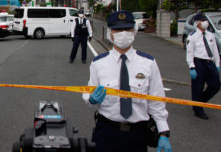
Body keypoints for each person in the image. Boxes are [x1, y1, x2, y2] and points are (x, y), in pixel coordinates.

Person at [82, 10, 171, 152]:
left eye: (127, 29)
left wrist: (163, 132)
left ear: (134, 31)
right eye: (118, 30)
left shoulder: (148, 63)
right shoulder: (98, 63)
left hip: (137, 133)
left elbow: (157, 101)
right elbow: (88, 93)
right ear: (110, 33)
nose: (123, 33)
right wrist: (91, 99)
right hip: (107, 131)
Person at [186, 12, 220, 119]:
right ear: (198, 23)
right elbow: (189, 53)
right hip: (199, 63)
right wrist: (192, 67)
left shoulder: (210, 35)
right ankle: (198, 110)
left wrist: (217, 64)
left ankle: (199, 102)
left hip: (210, 63)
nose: (206, 23)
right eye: (203, 21)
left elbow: (215, 51)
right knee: (198, 87)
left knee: (215, 86)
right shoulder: (192, 37)